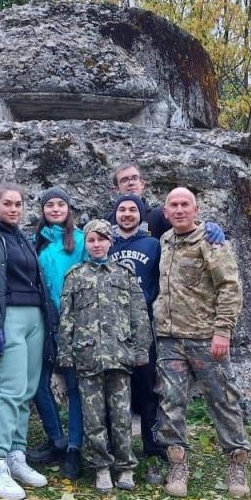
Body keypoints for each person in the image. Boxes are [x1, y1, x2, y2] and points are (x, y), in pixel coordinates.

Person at [153, 188, 251, 499]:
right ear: (166, 211)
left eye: (185, 205)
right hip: (169, 338)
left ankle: (237, 465)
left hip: (206, 338)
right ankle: (178, 465)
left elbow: (229, 286)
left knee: (223, 400)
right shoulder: (165, 240)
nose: (179, 210)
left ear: (196, 210)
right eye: (174, 205)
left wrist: (223, 331)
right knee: (170, 403)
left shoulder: (211, 241)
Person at [0, 184, 55, 500]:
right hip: (7, 319)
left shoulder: (23, 237)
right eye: (7, 203)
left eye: (19, 203)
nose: (14, 208)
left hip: (35, 318)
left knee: (28, 390)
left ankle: (15, 456)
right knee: (10, 389)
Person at [57, 220, 152, 493]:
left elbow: (138, 315)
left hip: (120, 356)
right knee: (93, 417)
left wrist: (141, 350)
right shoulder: (75, 275)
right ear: (85, 244)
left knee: (122, 416)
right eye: (91, 240)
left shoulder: (124, 274)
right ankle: (100, 467)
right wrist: (65, 353)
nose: (96, 244)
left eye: (101, 239)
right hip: (87, 357)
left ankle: (125, 467)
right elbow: (67, 318)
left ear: (110, 242)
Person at [108, 193, 166, 484]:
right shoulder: (107, 244)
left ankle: (153, 450)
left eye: (133, 209)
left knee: (147, 389)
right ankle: (118, 452)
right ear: (115, 214)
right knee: (117, 389)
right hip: (112, 328)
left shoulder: (154, 244)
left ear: (141, 215)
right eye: (122, 209)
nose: (127, 214)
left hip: (143, 325)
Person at [29, 187, 87, 479]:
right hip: (44, 321)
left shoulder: (80, 240)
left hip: (74, 322)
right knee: (38, 382)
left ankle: (75, 447)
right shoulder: (35, 243)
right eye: (49, 205)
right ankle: (57, 439)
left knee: (75, 385)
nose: (54, 209)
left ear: (68, 209)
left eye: (60, 204)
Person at [110, 163, 226, 244]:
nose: (130, 183)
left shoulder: (159, 216)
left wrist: (209, 226)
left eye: (134, 178)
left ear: (142, 184)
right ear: (116, 189)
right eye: (124, 180)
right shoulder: (108, 220)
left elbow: (188, 226)